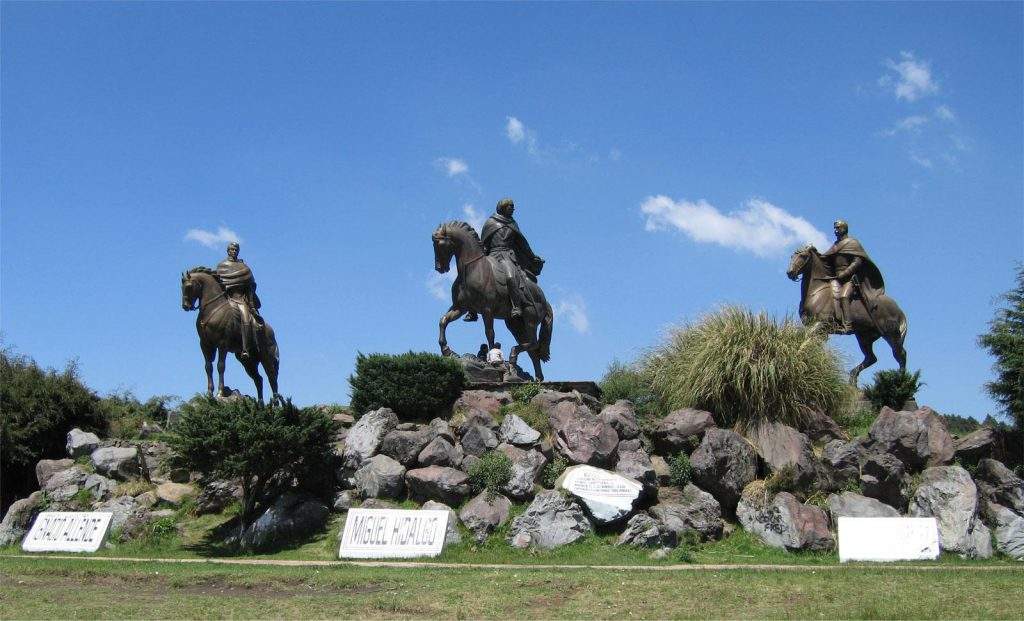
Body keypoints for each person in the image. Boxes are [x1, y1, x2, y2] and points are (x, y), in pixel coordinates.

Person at [464, 197, 544, 322]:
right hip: (491, 255)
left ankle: (516, 306)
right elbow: (483, 242)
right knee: (475, 276)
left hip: (507, 256)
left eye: (513, 206)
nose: (513, 209)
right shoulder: (490, 223)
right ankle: (471, 309)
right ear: (502, 207)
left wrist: (532, 256)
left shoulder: (513, 224)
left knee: (511, 276)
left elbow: (522, 244)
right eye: (510, 206)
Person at [821, 220, 885, 333]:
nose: (835, 231)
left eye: (838, 228)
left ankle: (848, 325)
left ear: (844, 229)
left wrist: (845, 273)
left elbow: (857, 261)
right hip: (837, 278)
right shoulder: (835, 245)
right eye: (835, 228)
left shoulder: (852, 243)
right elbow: (824, 258)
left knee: (844, 296)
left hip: (850, 279)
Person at [216, 241, 262, 360]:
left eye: (236, 250)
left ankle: (245, 349)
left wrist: (251, 304)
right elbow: (217, 285)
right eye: (232, 249)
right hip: (226, 299)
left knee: (246, 318)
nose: (234, 251)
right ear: (228, 250)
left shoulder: (244, 268)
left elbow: (250, 286)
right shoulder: (221, 266)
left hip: (240, 300)